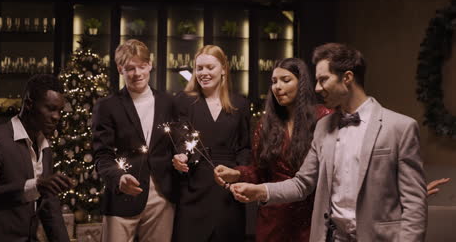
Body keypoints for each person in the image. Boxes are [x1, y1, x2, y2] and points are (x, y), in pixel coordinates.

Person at [229, 43, 427, 241]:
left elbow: (414, 204)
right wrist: (260, 191)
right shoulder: (323, 126)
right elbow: (302, 184)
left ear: (347, 78)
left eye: (323, 80)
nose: (317, 88)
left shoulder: (400, 127)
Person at [213, 58, 332, 241]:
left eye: (285, 80)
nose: (277, 87)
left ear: (302, 83)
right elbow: (259, 171)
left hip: (312, 216)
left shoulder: (323, 118)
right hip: (273, 219)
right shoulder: (266, 125)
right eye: (274, 81)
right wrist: (236, 174)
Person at [92, 39, 177, 242]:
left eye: (142, 66)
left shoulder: (168, 103)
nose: (137, 73)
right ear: (120, 69)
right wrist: (118, 178)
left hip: (161, 196)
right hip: (121, 194)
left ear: (150, 65)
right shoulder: (106, 106)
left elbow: (177, 143)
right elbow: (102, 155)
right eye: (130, 68)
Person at [172, 45, 251, 242]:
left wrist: (238, 174)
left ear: (223, 68)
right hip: (193, 190)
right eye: (199, 68)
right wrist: (181, 156)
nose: (203, 73)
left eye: (210, 67)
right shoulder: (183, 101)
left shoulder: (239, 104)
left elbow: (245, 147)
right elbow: (181, 140)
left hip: (227, 192)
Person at [0, 74, 73, 241]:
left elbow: (50, 210)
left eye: (59, 111)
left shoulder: (46, 148)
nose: (57, 116)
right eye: (50, 108)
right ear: (28, 104)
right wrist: (34, 186)